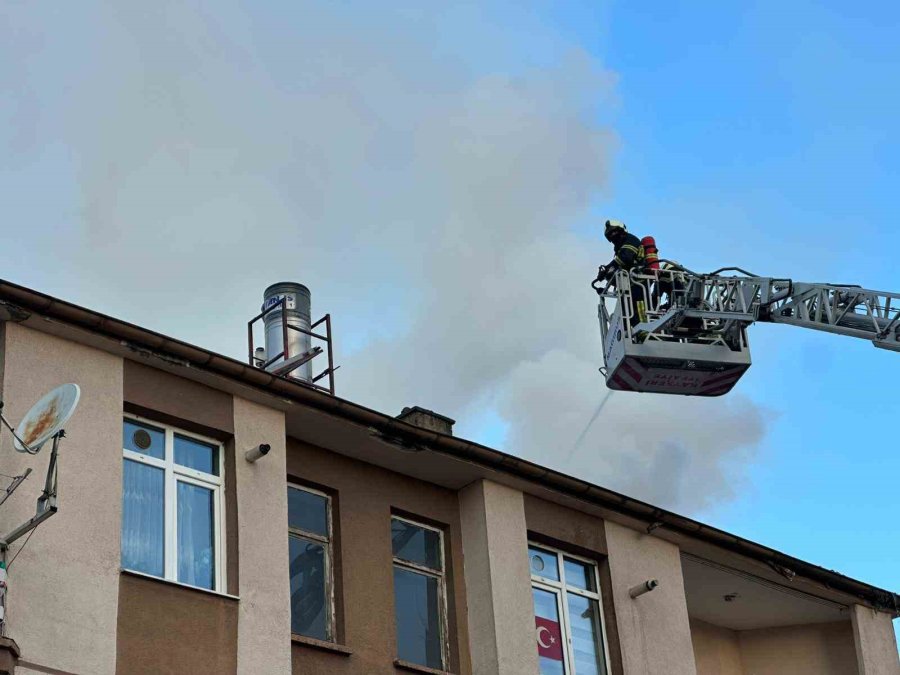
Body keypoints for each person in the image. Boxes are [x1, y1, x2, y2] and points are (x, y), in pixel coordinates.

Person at [597, 219, 649, 325]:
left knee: (639, 304)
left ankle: (644, 327)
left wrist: (609, 268)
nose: (613, 235)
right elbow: (618, 265)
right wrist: (607, 273)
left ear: (622, 231)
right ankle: (633, 328)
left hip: (639, 279)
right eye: (610, 234)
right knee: (627, 308)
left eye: (615, 232)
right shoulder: (620, 247)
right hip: (630, 282)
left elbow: (625, 257)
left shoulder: (631, 240)